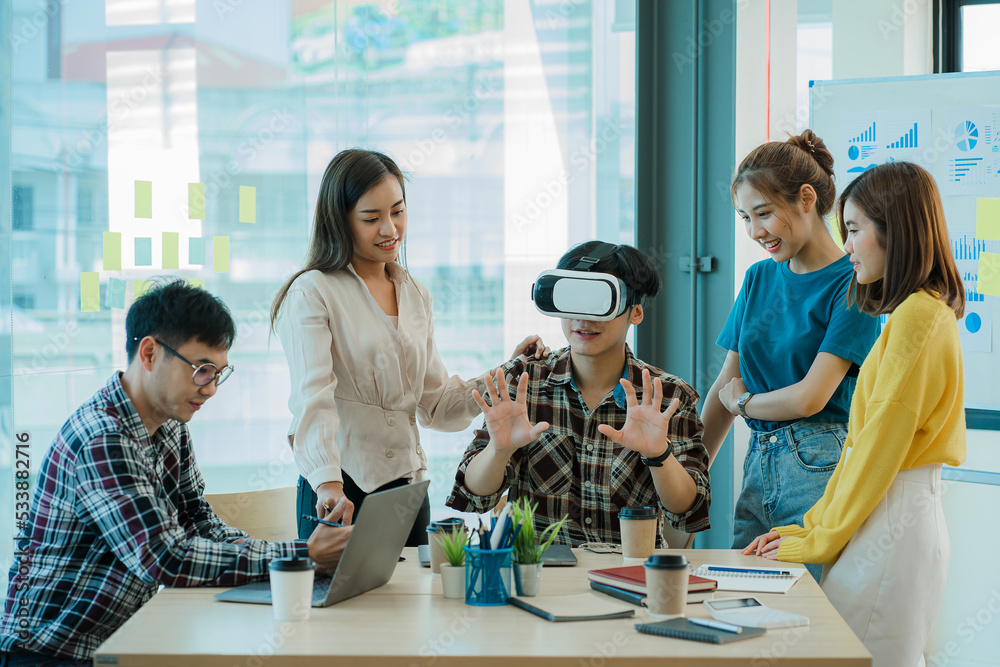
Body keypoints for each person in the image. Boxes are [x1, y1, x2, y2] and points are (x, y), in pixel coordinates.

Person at [0, 281, 351, 666]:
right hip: (54, 652)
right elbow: (165, 558)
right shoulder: (102, 438)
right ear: (150, 353)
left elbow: (198, 523)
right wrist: (301, 555)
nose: (211, 389)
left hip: (125, 640)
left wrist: (287, 556)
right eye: (202, 370)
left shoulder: (169, 425)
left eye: (219, 373)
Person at [745, 162, 967, 667]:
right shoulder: (917, 311)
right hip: (888, 517)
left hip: (891, 521)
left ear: (896, 231)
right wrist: (811, 529)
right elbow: (862, 447)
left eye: (854, 229)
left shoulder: (917, 316)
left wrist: (819, 539)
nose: (846, 247)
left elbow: (875, 448)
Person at [270, 148, 546, 545]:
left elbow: (435, 405)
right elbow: (313, 401)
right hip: (338, 489)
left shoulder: (415, 293)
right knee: (341, 589)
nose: (390, 229)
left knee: (417, 587)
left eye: (398, 211)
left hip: (406, 492)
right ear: (340, 220)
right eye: (371, 218)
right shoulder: (313, 292)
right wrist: (328, 484)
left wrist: (507, 371)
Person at [447, 242, 711, 547]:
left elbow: (687, 512)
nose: (583, 319)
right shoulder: (524, 383)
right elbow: (474, 496)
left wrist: (659, 454)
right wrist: (498, 450)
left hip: (630, 569)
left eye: (599, 302)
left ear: (635, 312)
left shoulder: (668, 396)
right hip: (537, 569)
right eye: (572, 301)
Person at [700, 130, 879, 575]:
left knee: (807, 604)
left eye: (764, 213)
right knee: (743, 593)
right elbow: (725, 385)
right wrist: (690, 474)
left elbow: (809, 398)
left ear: (806, 199)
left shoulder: (854, 284)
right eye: (745, 217)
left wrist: (743, 404)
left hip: (819, 463)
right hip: (758, 462)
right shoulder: (758, 278)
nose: (754, 231)